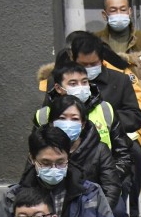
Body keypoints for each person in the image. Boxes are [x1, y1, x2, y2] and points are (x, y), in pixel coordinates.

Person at [0, 126, 123, 217]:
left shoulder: (90, 193)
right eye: (45, 163)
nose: (54, 168)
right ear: (32, 159)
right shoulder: (13, 196)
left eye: (60, 162)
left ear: (69, 158)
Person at [95, 0, 141, 200]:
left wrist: (131, 90)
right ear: (104, 14)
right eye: (113, 10)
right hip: (103, 98)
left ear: (131, 11)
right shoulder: (95, 42)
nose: (119, 14)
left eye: (122, 9)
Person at [36, 61, 135, 199]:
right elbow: (34, 157)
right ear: (58, 88)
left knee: (115, 210)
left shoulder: (105, 110)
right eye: (73, 84)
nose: (81, 88)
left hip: (102, 181)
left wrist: (108, 177)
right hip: (55, 183)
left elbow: (123, 155)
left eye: (84, 82)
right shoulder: (43, 116)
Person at [44, 95, 123, 210]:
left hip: (89, 205)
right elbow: (28, 185)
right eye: (62, 118)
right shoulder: (42, 148)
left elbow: (111, 187)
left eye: (75, 119)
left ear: (83, 124)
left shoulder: (99, 150)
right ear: (52, 123)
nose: (68, 123)